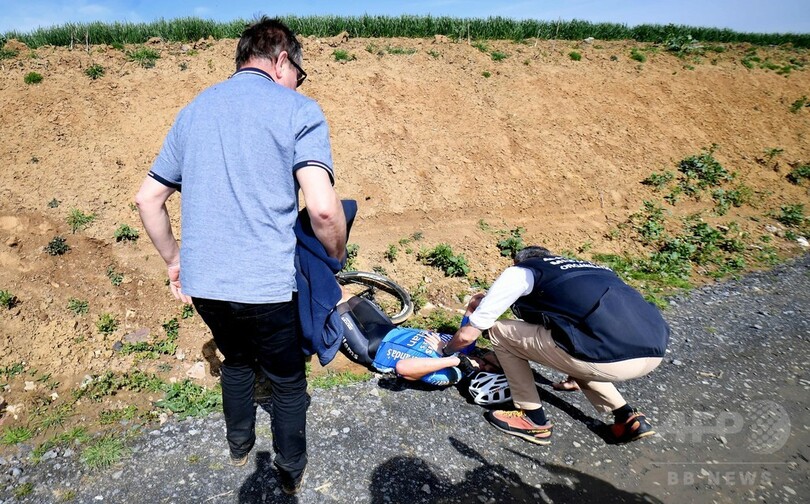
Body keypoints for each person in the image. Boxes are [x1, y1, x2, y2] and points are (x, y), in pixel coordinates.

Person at [134, 17, 346, 495]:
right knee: (288, 381)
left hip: (206, 284)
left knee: (235, 360)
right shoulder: (299, 109)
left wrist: (175, 260)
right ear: (282, 60)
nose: (297, 83)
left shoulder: (194, 110)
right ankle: (290, 473)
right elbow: (325, 210)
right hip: (267, 286)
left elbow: (148, 198)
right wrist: (337, 254)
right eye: (299, 72)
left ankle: (238, 446)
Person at [441, 246, 670, 446]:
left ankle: (532, 418)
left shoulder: (521, 271)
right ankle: (627, 417)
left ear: (518, 261)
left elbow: (469, 335)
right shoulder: (591, 269)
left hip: (606, 357)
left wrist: (446, 351)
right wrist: (574, 374)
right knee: (573, 344)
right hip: (654, 350)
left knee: (499, 331)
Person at [337, 294, 501, 385]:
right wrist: (491, 323)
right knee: (346, 295)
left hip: (370, 348)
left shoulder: (451, 374)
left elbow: (403, 368)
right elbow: (474, 302)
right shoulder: (465, 341)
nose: (482, 364)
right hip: (388, 330)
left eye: (484, 370)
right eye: (490, 363)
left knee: (335, 306)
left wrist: (454, 360)